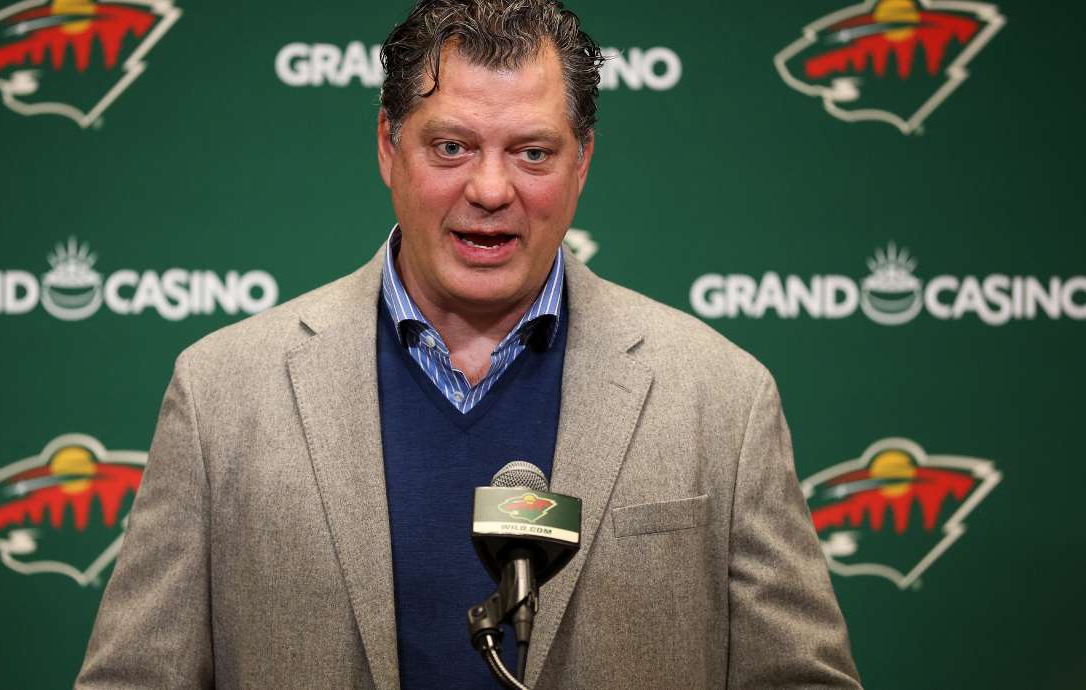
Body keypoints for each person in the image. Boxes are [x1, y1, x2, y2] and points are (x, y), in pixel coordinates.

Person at [76, 1, 862, 688]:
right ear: (389, 147)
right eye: (451, 147)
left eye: (532, 152)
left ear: (582, 162)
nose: (491, 190)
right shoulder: (222, 393)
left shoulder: (722, 398)